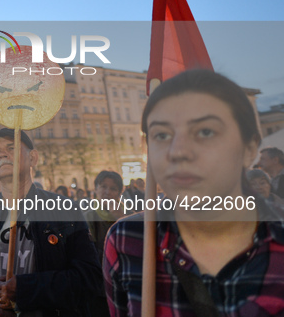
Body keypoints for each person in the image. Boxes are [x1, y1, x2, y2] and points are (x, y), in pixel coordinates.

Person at [104, 69, 284, 316]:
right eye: (162, 135)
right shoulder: (127, 240)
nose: (178, 151)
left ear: (250, 147)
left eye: (205, 131)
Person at [0, 128, 106, 317]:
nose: (2, 154)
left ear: (33, 158)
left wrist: (26, 288)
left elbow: (89, 278)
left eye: (11, 147)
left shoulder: (64, 211)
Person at [84, 171, 130, 264]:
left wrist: (121, 219)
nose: (107, 192)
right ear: (96, 189)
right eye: (103, 187)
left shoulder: (130, 215)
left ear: (119, 193)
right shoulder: (87, 217)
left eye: (113, 188)